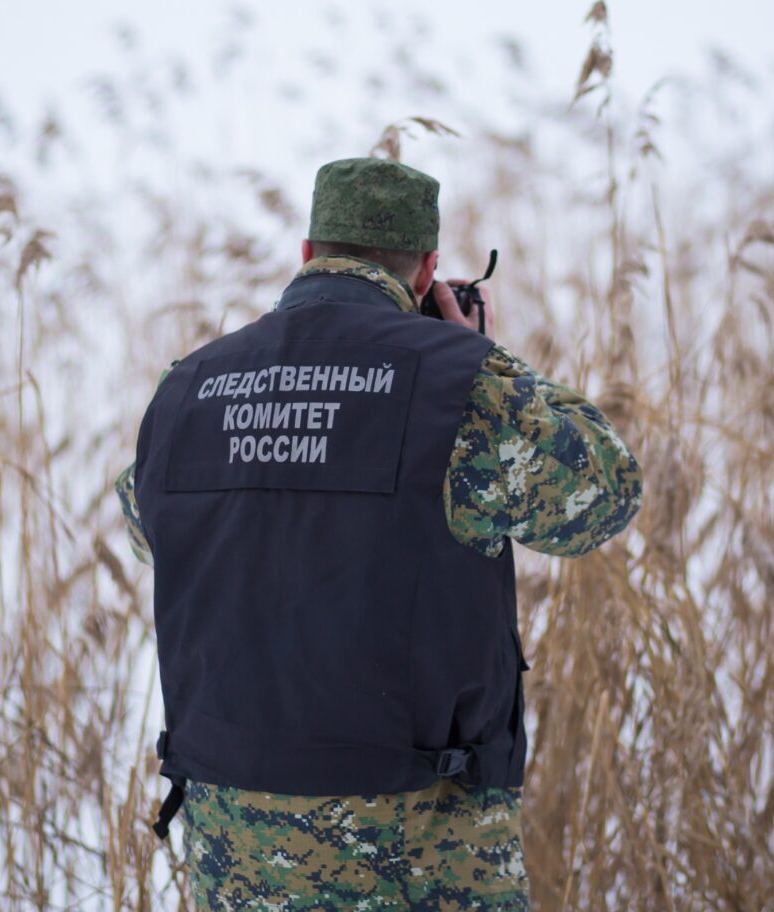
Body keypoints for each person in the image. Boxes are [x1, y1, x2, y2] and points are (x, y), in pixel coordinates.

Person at [113, 157, 642, 910]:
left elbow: (148, 529)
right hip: (413, 843)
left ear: (307, 252)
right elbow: (605, 493)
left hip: (233, 847)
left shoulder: (188, 387)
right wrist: (478, 352)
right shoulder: (459, 385)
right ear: (427, 270)